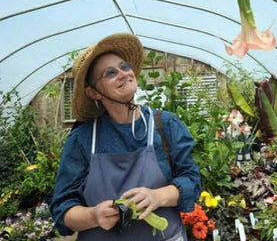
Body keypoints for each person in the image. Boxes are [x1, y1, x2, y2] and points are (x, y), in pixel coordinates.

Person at [49, 33, 201, 240]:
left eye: (125, 66)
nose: (123, 74)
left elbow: (191, 181)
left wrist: (157, 196)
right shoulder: (83, 139)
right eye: (110, 73)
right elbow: (62, 208)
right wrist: (93, 216)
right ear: (94, 93)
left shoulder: (165, 125)